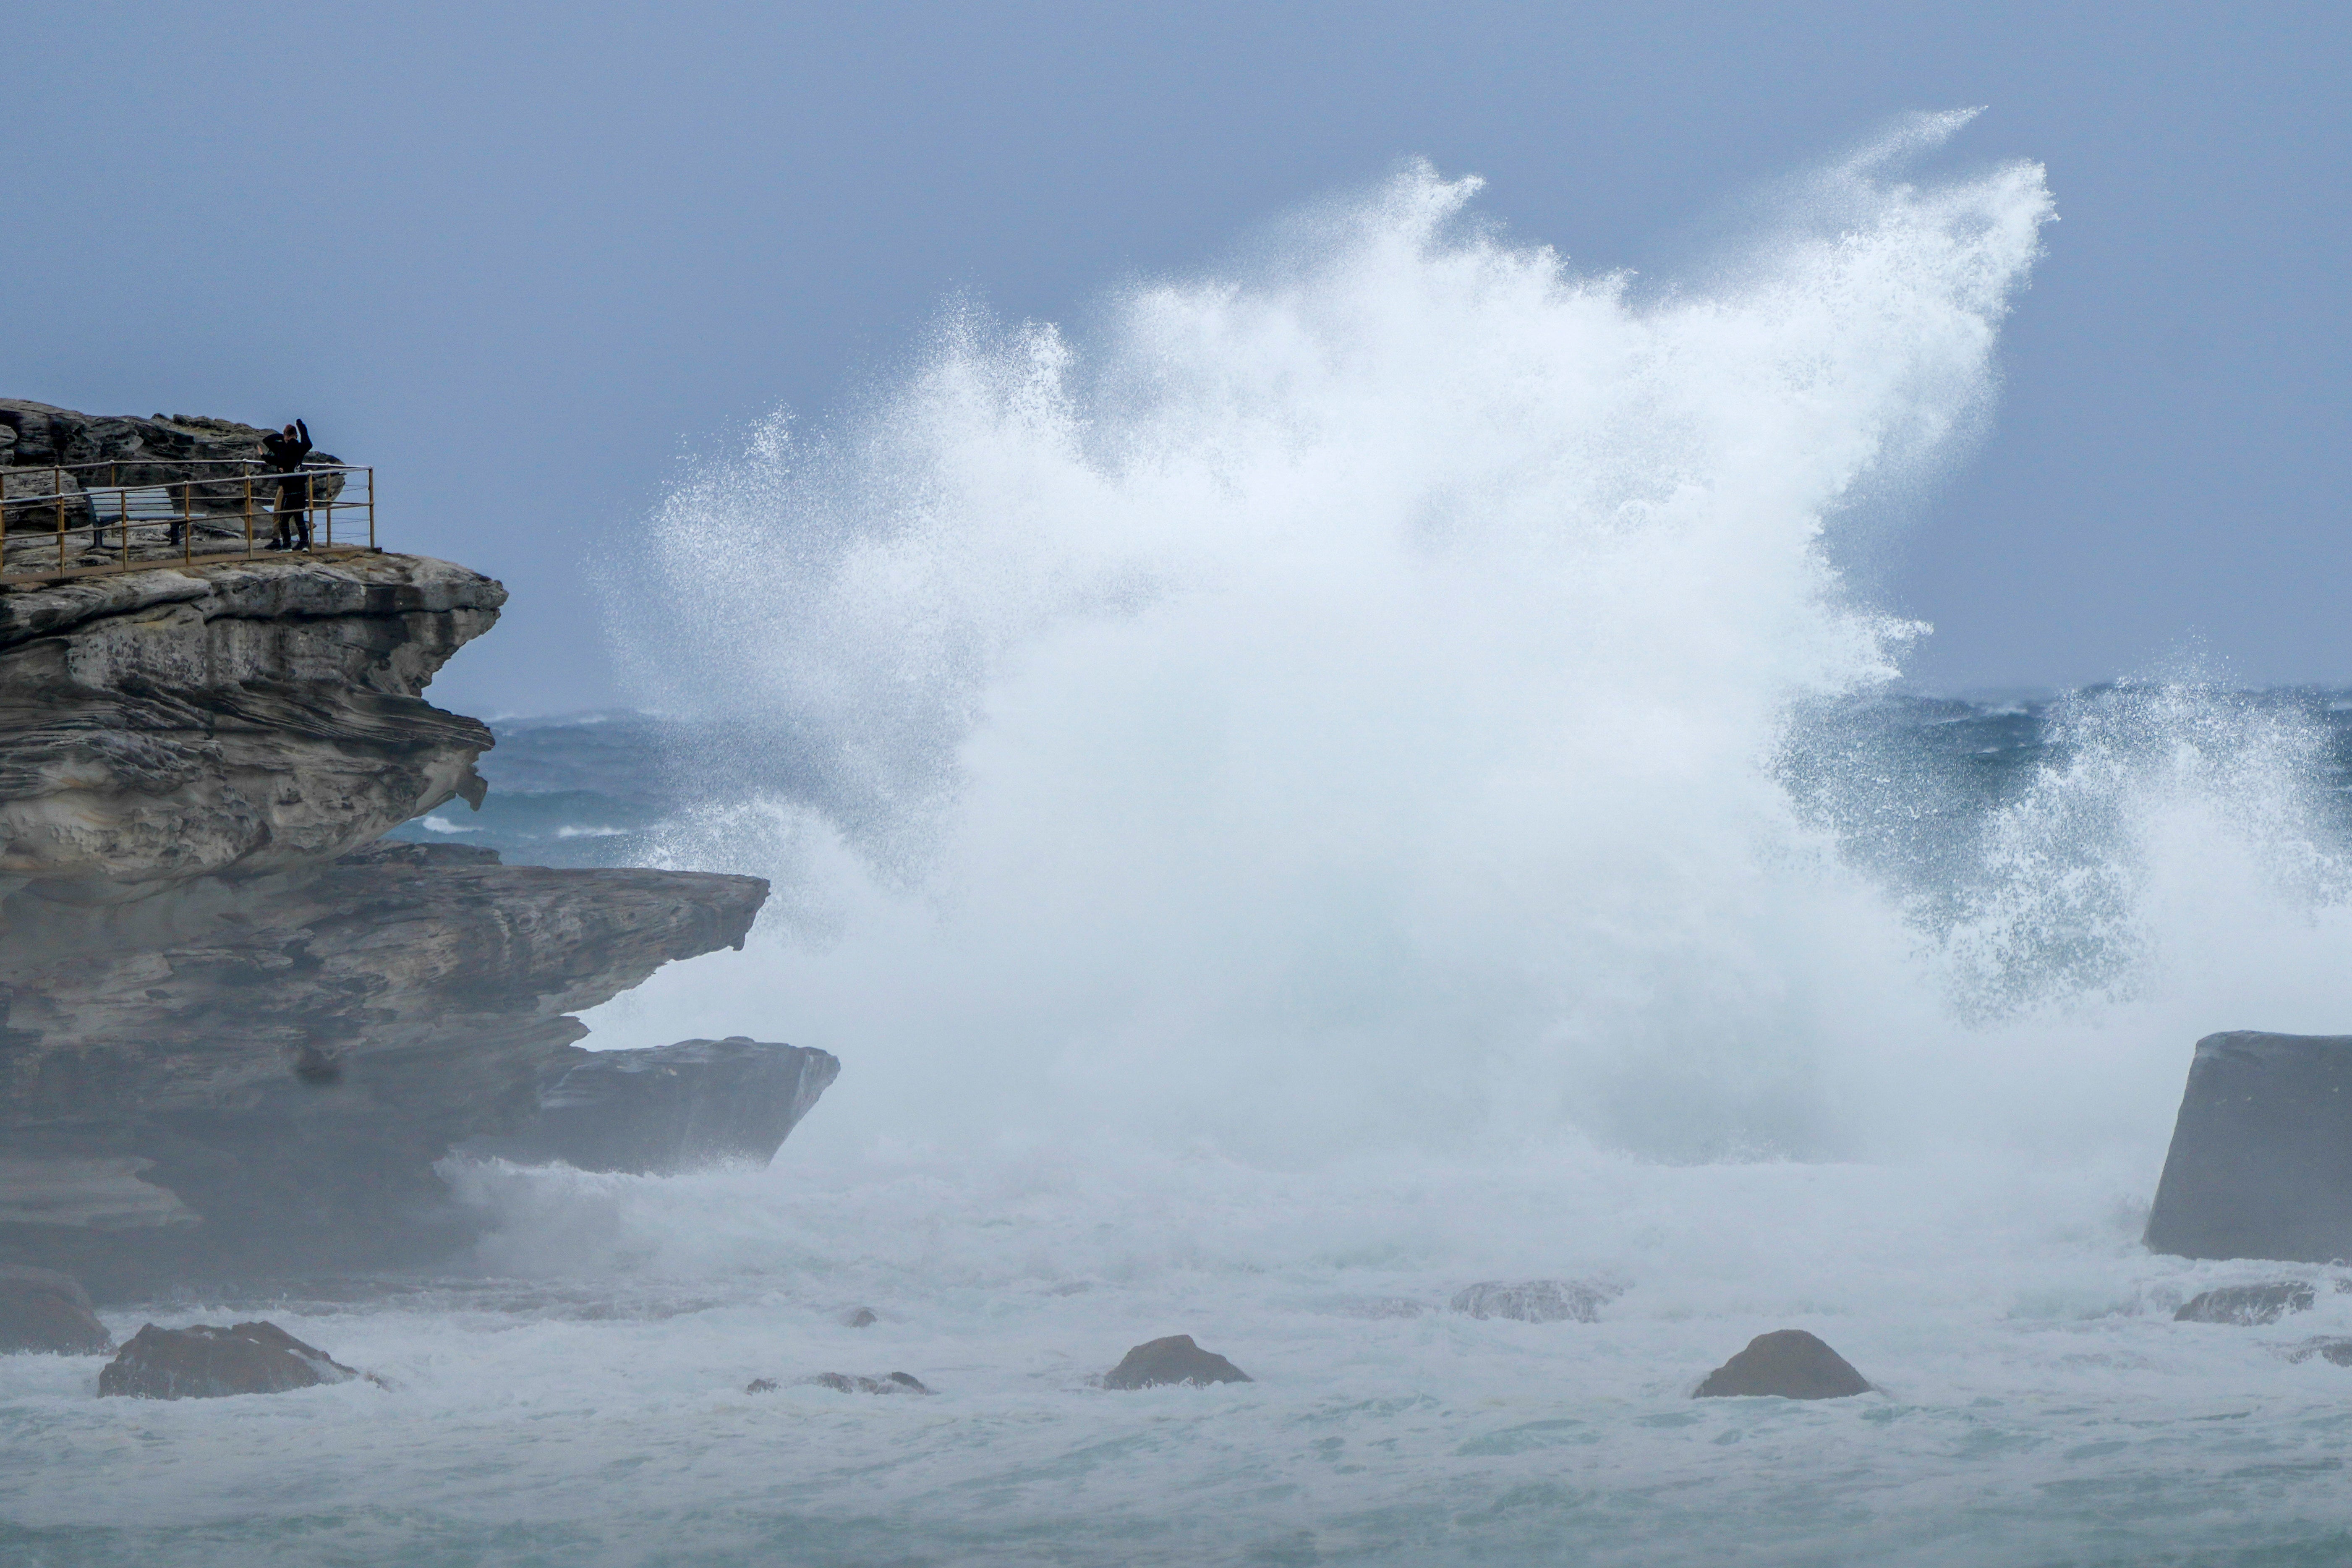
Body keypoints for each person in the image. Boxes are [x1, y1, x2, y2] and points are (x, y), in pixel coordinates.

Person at [261, 418, 313, 550]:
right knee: (299, 517)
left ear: (286, 436)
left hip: (289, 488)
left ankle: (286, 545)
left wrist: (263, 456)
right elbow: (308, 442)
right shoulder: (301, 448)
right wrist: (301, 427)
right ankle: (304, 543)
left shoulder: (286, 449)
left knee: (284, 519)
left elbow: (280, 460)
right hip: (300, 487)